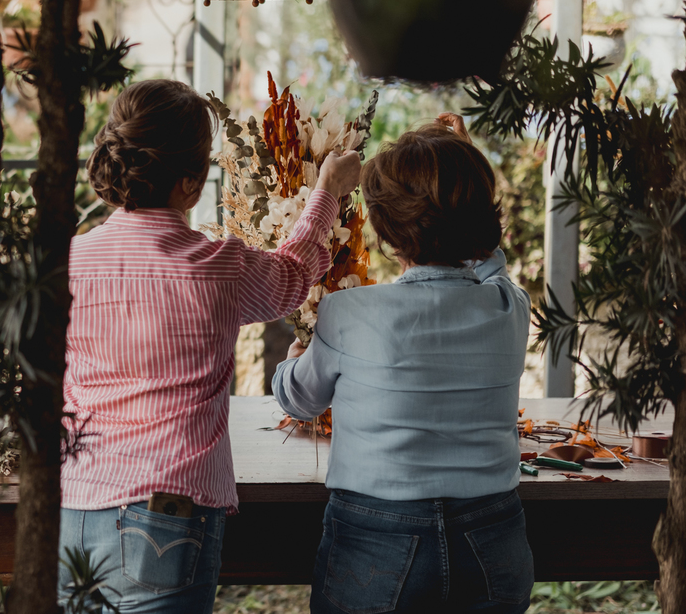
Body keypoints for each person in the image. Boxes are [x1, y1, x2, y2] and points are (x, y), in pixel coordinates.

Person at [58, 78, 362, 613]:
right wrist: (328, 192)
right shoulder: (218, 268)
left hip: (75, 505)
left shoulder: (68, 263)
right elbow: (295, 272)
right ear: (191, 183)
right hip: (166, 510)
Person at [273, 114, 534, 614]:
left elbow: (300, 402)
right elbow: (491, 262)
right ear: (482, 221)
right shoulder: (510, 307)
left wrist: (290, 365)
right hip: (493, 540)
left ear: (385, 230)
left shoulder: (348, 313)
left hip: (377, 542)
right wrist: (465, 182)